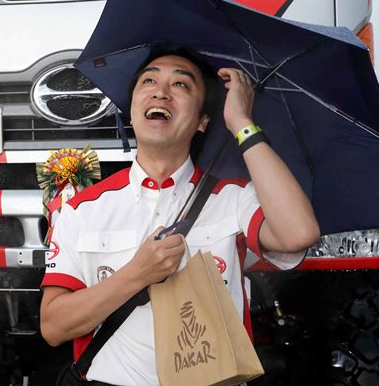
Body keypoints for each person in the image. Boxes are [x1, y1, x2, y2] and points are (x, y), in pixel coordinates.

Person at [40, 47, 321, 386]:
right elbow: (54, 327)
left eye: (181, 85)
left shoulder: (232, 197)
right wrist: (137, 274)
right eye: (149, 80)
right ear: (131, 111)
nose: (161, 91)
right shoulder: (81, 209)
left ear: (203, 121)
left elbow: (299, 233)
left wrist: (242, 124)